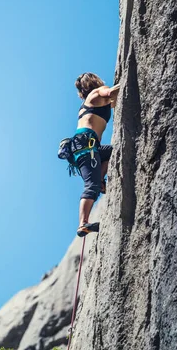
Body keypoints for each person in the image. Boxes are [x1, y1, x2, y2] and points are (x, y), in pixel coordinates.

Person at [71, 73, 120, 237]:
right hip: (87, 145)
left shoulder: (88, 103)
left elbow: (111, 102)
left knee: (114, 152)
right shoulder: (98, 92)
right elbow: (111, 93)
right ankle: (83, 224)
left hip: (87, 146)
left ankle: (100, 180)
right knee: (90, 186)